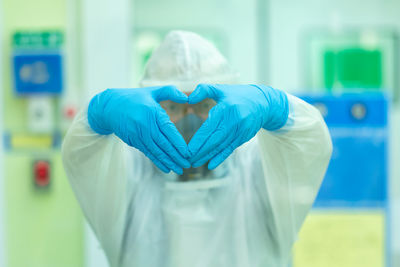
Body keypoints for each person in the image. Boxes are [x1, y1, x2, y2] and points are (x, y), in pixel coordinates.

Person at [62, 30, 332, 267]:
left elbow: (310, 142)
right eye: (174, 106)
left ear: (229, 103)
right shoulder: (129, 177)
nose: (189, 119)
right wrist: (99, 114)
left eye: (204, 105)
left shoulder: (257, 172)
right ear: (151, 107)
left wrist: (276, 106)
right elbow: (82, 156)